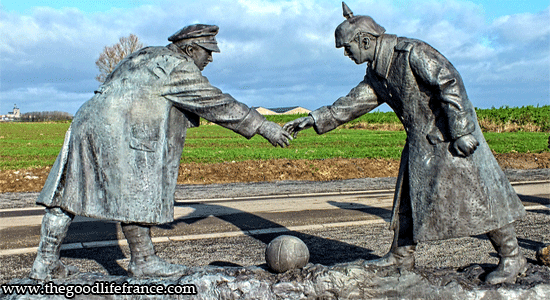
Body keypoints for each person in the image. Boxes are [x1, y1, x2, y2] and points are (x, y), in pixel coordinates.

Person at [284, 3, 526, 284]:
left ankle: (512, 255)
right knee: (408, 199)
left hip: (449, 138)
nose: (347, 55)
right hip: (420, 143)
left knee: (480, 198)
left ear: (364, 40)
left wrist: (461, 131)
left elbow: (449, 82)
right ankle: (401, 255)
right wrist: (314, 119)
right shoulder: (377, 72)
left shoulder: (412, 52)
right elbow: (354, 103)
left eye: (348, 48)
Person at [30, 24, 291, 280]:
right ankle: (143, 260)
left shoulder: (146, 53)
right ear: (189, 49)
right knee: (139, 190)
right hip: (122, 128)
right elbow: (216, 103)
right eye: (207, 51)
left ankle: (45, 262)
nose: (210, 58)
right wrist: (263, 125)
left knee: (68, 192)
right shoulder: (178, 66)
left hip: (87, 119)